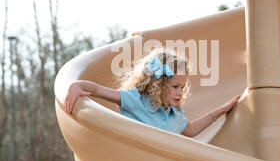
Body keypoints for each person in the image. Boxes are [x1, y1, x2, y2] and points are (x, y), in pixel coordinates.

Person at [64, 47, 240, 137]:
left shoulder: (175, 115)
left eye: (182, 87)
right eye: (175, 87)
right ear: (158, 84)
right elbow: (97, 90)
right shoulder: (135, 100)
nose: (180, 92)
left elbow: (192, 130)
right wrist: (77, 86)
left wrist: (221, 110)